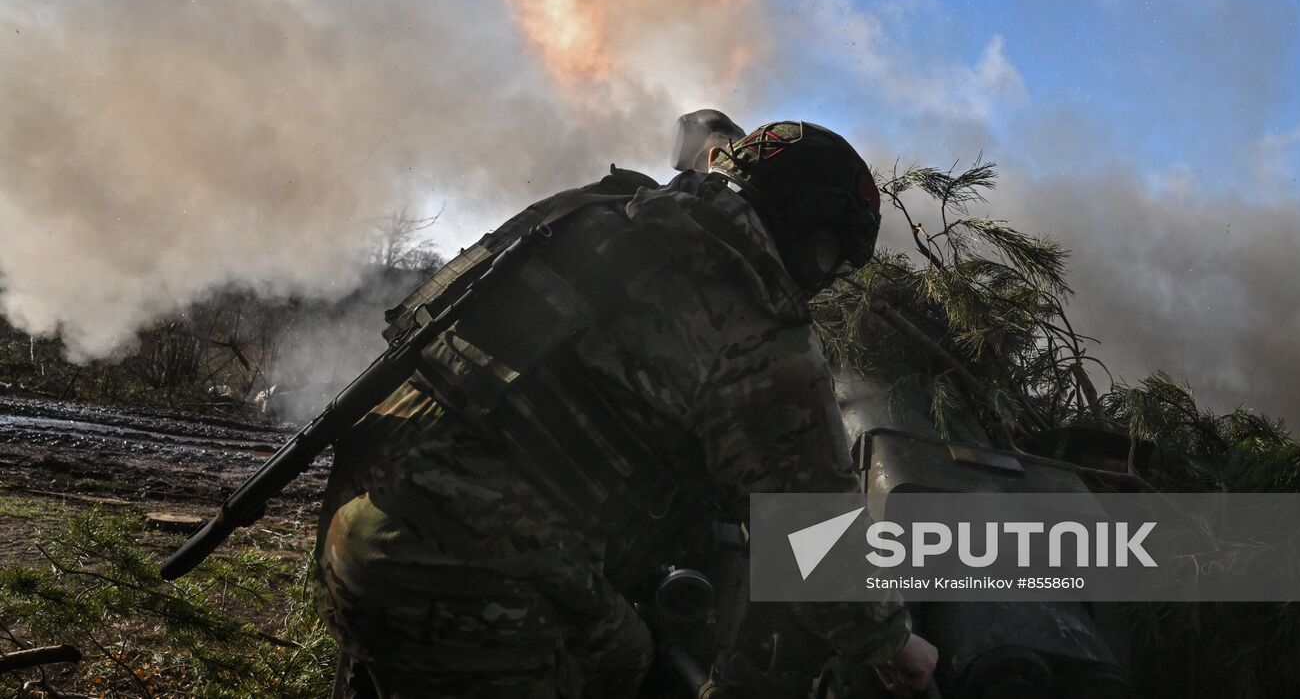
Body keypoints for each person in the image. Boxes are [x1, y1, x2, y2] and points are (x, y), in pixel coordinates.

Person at [312, 120, 939, 697]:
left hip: (355, 529)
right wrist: (891, 643)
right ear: (810, 237)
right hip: (476, 591)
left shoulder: (589, 214)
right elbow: (810, 530)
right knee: (628, 661)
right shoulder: (757, 324)